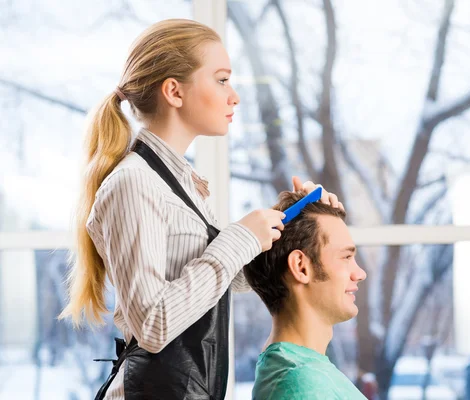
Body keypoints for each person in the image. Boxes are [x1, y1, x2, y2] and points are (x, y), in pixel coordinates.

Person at [58, 19, 343, 400]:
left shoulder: (183, 183)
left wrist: (296, 219)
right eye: (222, 80)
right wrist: (240, 238)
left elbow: (217, 282)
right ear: (174, 91)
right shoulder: (133, 184)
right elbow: (154, 325)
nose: (234, 96)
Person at [244, 191, 367, 399]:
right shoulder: (300, 383)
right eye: (346, 257)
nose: (360, 274)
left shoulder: (305, 371)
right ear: (301, 267)